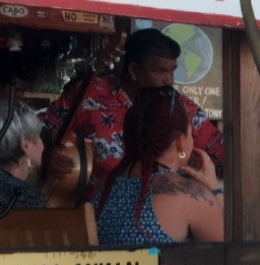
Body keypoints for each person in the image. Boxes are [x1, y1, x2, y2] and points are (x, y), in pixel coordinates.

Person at [41, 28, 223, 198]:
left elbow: (222, 151)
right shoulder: (90, 92)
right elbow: (37, 131)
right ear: (134, 71)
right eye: (160, 71)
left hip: (163, 214)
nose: (169, 80)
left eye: (172, 71)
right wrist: (47, 155)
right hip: (94, 211)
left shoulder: (180, 107)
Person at [94, 88, 224, 246]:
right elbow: (227, 256)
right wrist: (214, 188)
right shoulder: (190, 196)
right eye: (191, 134)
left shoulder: (105, 183)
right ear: (180, 143)